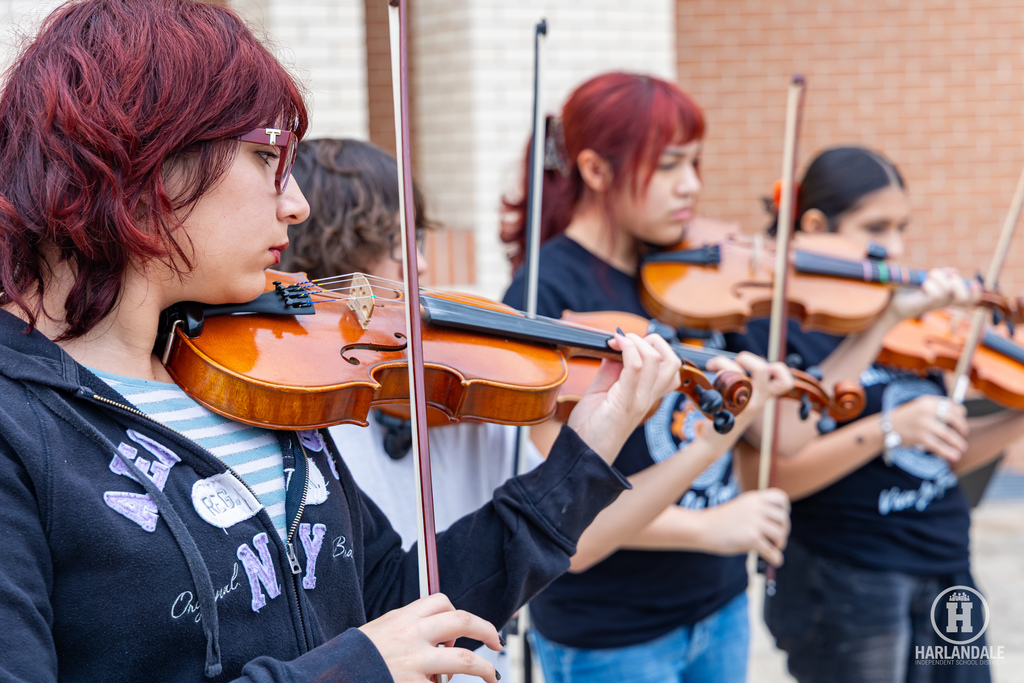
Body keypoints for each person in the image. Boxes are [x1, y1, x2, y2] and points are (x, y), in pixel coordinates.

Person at [0, 4, 686, 682]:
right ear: (149, 157)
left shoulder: (253, 373)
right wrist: (359, 666)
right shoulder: (18, 427)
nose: (294, 202)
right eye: (267, 154)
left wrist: (584, 455)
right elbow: (371, 651)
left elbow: (397, 601)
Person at [500, 71, 796, 683]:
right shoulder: (546, 293)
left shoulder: (698, 275)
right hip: (612, 633)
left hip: (718, 602)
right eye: (668, 167)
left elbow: (769, 427)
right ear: (596, 170)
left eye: (695, 164)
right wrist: (712, 526)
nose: (691, 186)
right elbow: (566, 515)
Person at [738, 146, 1024, 682]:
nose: (895, 248)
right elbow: (774, 471)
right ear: (815, 225)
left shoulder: (909, 319)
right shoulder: (773, 323)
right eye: (877, 228)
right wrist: (889, 428)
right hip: (848, 576)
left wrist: (1018, 419)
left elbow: (945, 457)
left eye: (902, 228)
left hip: (946, 565)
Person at [279, 137, 548, 682]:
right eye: (399, 244)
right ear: (339, 259)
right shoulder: (295, 415)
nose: (421, 263)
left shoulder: (446, 387)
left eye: (418, 238)